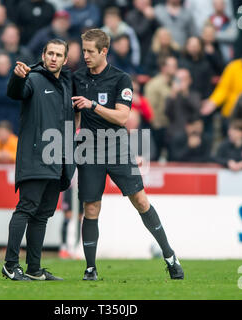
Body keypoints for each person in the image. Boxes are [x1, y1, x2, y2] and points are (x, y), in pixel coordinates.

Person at [72, 29, 184, 281]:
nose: (85, 55)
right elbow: (75, 114)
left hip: (117, 147)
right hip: (89, 148)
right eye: (84, 50)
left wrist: (92, 105)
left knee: (140, 201)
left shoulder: (121, 79)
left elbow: (122, 117)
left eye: (90, 51)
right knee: (91, 207)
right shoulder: (77, 77)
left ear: (104, 52)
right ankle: (90, 268)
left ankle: (170, 257)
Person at [2, 39, 76, 281]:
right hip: (35, 158)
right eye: (50, 53)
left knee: (42, 215)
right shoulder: (32, 78)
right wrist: (17, 77)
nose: (54, 58)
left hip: (58, 162)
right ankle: (10, 265)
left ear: (65, 60)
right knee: (26, 209)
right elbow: (15, 92)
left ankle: (34, 269)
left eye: (58, 55)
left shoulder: (66, 85)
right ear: (43, 56)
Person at [144, 55, 178, 160]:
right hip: (158, 128)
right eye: (172, 66)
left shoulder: (176, 83)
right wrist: (155, 124)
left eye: (175, 66)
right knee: (155, 157)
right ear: (163, 68)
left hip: (172, 127)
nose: (175, 68)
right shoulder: (154, 84)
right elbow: (149, 107)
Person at [164, 68, 202, 160]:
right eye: (178, 79)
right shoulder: (172, 96)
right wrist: (173, 94)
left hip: (190, 135)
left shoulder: (194, 95)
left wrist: (185, 94)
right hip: (174, 135)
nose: (181, 82)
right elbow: (167, 113)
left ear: (189, 80)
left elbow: (196, 110)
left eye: (183, 79)